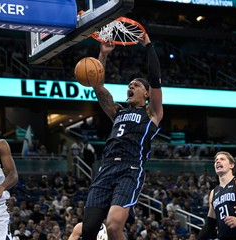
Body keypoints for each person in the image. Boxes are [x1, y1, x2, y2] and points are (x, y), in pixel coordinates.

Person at [81, 33, 163, 240]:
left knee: (114, 225)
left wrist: (148, 45)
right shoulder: (117, 112)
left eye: (136, 85)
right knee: (88, 230)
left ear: (146, 94)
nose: (130, 87)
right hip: (106, 168)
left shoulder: (151, 113)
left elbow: (155, 78)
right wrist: (103, 55)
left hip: (130, 167)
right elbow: (98, 88)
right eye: (129, 85)